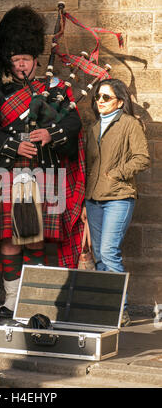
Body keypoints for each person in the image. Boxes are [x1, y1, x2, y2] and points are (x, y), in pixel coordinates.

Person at [0, 5, 85, 318]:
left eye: (25, 59)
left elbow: (73, 124)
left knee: (36, 239)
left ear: (36, 59)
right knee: (10, 239)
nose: (20, 65)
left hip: (44, 174)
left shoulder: (55, 90)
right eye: (14, 61)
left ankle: (34, 300)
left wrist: (48, 134)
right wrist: (14, 144)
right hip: (10, 173)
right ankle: (11, 300)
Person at [81, 78, 150, 327]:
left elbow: (142, 158)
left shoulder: (130, 124)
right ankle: (105, 307)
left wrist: (116, 173)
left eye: (106, 97)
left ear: (120, 101)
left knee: (109, 252)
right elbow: (88, 166)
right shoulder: (92, 128)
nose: (100, 101)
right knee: (99, 255)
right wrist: (83, 203)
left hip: (119, 196)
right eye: (98, 96)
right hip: (93, 198)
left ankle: (120, 309)